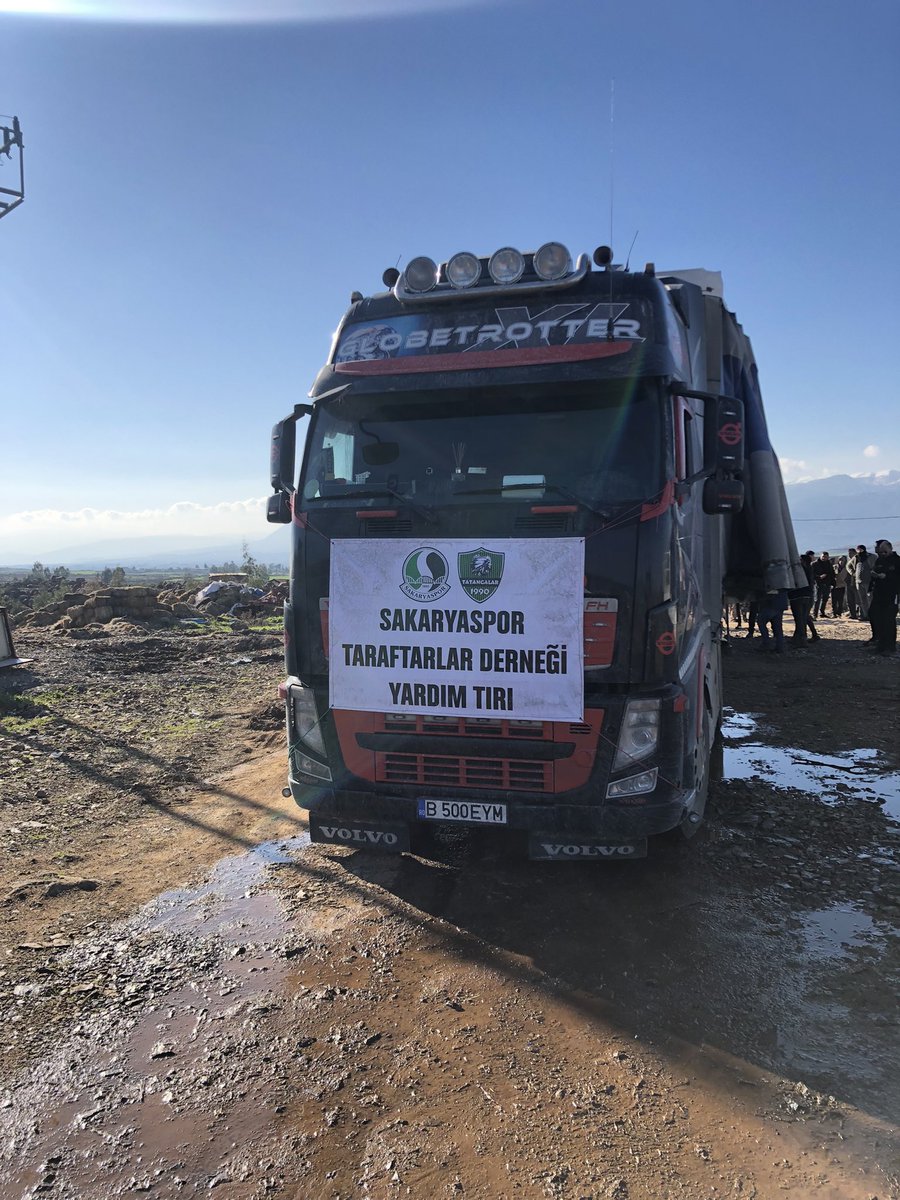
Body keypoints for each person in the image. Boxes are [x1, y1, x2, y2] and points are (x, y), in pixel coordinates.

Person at [867, 540, 900, 655]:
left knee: (889, 620)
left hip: (891, 595)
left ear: (890, 549)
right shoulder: (879, 560)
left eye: (884, 552)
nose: (882, 554)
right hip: (878, 594)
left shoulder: (897, 561)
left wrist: (887, 576)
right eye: (879, 552)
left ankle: (890, 647)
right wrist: (871, 584)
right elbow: (874, 573)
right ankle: (880, 644)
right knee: (875, 617)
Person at [789, 552, 818, 647]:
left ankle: (801, 639)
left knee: (799, 618)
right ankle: (801, 637)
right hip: (807, 596)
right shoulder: (809, 569)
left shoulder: (799, 571)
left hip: (797, 596)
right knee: (803, 617)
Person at [855, 544, 875, 624]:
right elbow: (849, 565)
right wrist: (853, 573)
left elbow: (874, 566)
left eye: (860, 550)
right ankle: (865, 615)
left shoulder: (871, 557)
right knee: (862, 599)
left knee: (870, 598)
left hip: (868, 581)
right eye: (858, 550)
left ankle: (872, 615)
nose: (859, 551)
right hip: (858, 581)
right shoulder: (856, 557)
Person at [812, 551, 835, 618]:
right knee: (817, 599)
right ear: (820, 556)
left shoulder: (829, 564)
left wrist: (832, 583)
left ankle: (822, 612)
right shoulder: (815, 564)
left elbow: (832, 574)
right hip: (818, 583)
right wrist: (819, 577)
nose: (824, 558)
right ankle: (814, 614)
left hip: (827, 583)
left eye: (826, 557)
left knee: (825, 599)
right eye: (823, 556)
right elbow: (811, 574)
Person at [845, 548, 860, 619]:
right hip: (848, 583)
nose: (849, 555)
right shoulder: (848, 562)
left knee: (858, 600)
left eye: (851, 553)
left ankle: (860, 613)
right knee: (850, 600)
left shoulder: (858, 560)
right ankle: (852, 614)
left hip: (856, 583)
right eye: (848, 553)